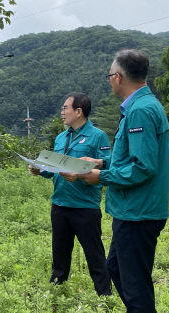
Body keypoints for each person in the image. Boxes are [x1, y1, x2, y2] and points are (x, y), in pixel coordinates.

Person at [82, 49, 169, 313]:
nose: (110, 81)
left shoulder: (140, 111)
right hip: (132, 209)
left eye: (110, 75)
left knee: (132, 277)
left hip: (139, 211)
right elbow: (130, 156)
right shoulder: (141, 106)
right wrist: (100, 160)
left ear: (118, 77)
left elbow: (142, 166)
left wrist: (101, 175)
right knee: (117, 269)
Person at [30, 92, 112, 295]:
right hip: (59, 204)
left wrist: (86, 170)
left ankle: (104, 295)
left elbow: (109, 164)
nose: (62, 112)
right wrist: (40, 169)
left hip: (85, 206)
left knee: (94, 254)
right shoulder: (61, 137)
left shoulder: (97, 136)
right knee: (59, 255)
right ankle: (57, 292)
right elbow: (54, 168)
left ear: (78, 111)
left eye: (65, 108)